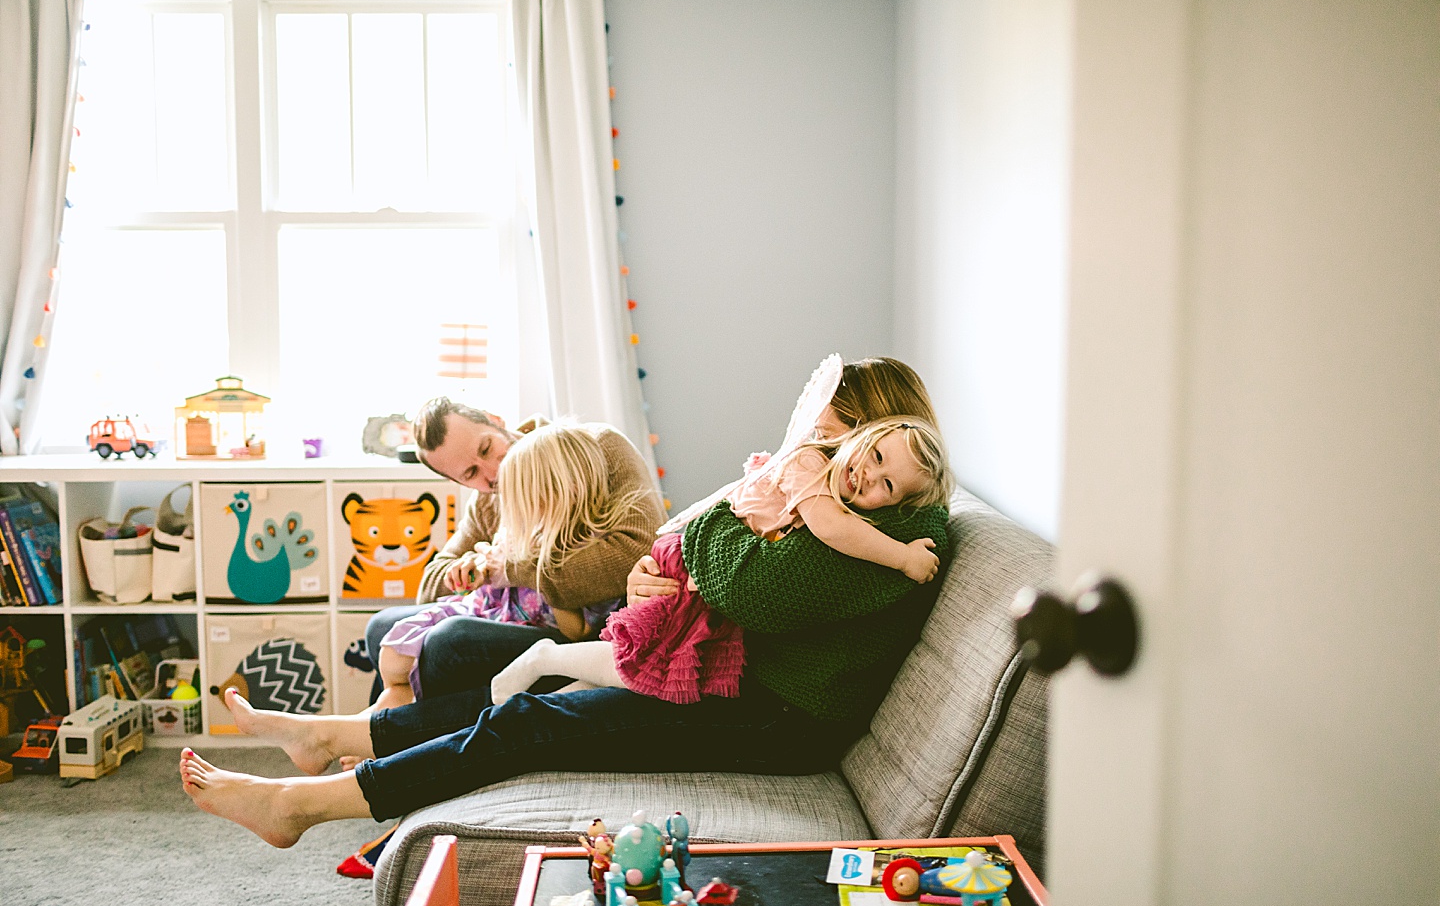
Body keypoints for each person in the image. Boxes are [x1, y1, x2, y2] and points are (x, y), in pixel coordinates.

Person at [178, 357, 951, 848]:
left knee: (534, 713)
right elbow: (704, 548)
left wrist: (704, 544)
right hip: (735, 674)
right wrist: (666, 568)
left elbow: (742, 577)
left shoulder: (899, 528)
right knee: (525, 693)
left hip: (775, 715)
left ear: (881, 432)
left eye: (831, 436)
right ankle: (330, 746)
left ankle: (300, 805)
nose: (811, 456)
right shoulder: (850, 502)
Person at [488, 411, 953, 705]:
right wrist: (901, 557)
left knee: (643, 671)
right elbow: (834, 529)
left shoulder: (845, 493)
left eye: (887, 485)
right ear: (862, 436)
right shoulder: (810, 465)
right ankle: (545, 658)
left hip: (709, 567)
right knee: (645, 664)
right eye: (872, 455)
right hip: (695, 566)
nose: (867, 475)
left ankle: (549, 702)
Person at [361, 399, 665, 712]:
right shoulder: (486, 500)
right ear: (458, 482)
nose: (493, 472)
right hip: (510, 615)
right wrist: (469, 569)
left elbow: (636, 551)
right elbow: (430, 585)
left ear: (495, 420)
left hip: (576, 627)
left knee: (447, 641)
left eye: (485, 448)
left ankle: (384, 737)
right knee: (381, 628)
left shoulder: (589, 447)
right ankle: (377, 731)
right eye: (471, 473)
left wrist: (514, 567)